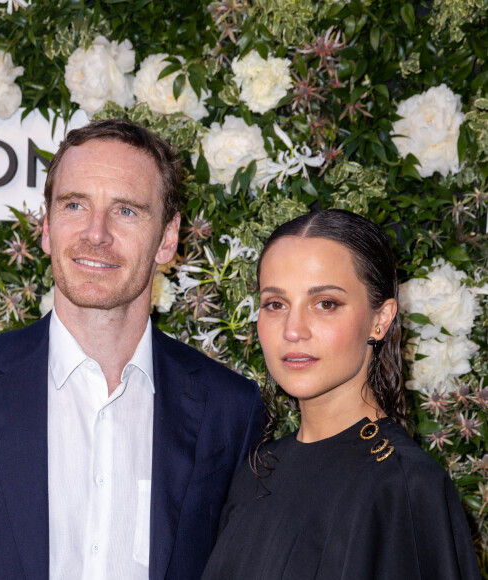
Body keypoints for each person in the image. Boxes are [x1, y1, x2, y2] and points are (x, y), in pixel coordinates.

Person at [0, 119, 264, 580]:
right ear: (46, 226)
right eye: (75, 205)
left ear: (168, 238)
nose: (96, 233)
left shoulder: (230, 409)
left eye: (127, 211)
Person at [202, 209, 480, 579]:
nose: (293, 330)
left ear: (380, 319)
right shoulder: (258, 471)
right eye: (275, 304)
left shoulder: (405, 488)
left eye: (325, 304)